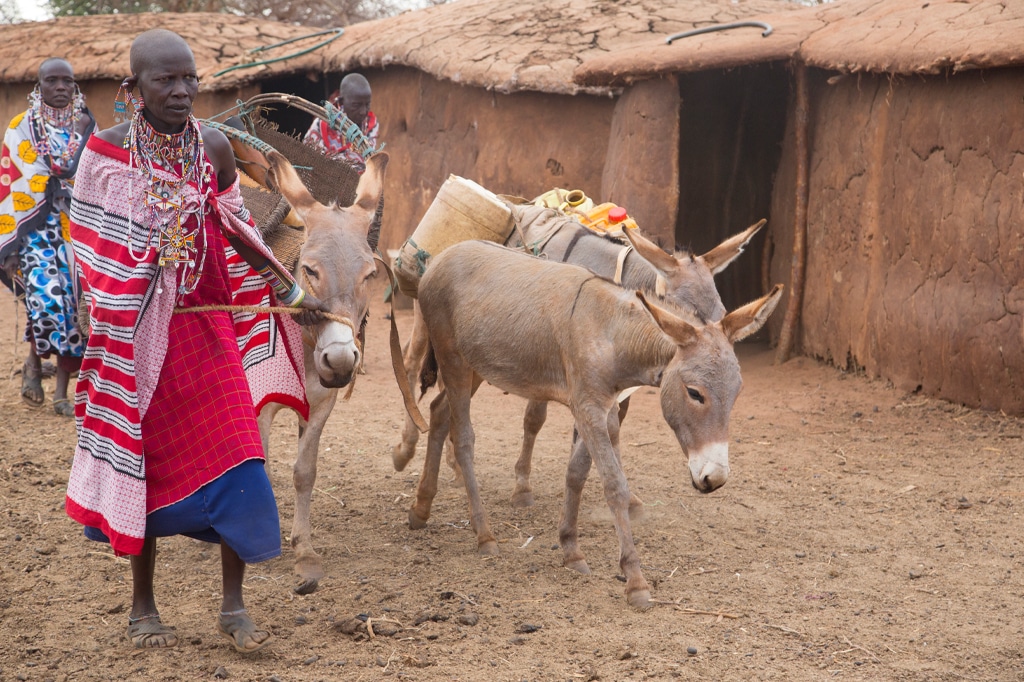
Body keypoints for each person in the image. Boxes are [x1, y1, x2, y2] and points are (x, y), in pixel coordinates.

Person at [65, 29, 324, 654]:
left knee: (241, 450)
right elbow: (90, 250)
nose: (180, 91)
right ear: (134, 88)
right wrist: (136, 276)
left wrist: (286, 292)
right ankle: (143, 605)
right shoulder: (103, 153)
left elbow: (235, 230)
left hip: (207, 328)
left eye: (188, 79)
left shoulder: (212, 148)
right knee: (146, 466)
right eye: (165, 80)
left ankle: (234, 605)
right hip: (136, 339)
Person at [0, 58, 95, 416]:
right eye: (51, 81)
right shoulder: (20, 127)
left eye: (66, 81)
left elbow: (93, 176)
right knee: (47, 303)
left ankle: (56, 390)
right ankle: (35, 368)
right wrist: (10, 244)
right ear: (38, 87)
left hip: (77, 229)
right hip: (34, 230)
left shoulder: (87, 125)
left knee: (75, 306)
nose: (60, 87)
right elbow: (10, 182)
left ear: (74, 86)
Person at [302, 72, 379, 172]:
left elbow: (368, 161)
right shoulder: (322, 124)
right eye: (356, 105)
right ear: (342, 102)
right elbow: (307, 158)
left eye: (367, 104)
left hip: (360, 184)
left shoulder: (370, 124)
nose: (363, 111)